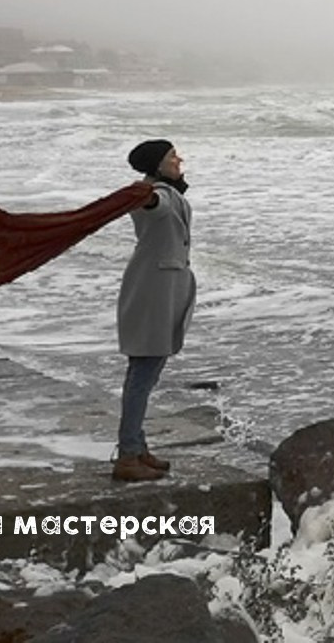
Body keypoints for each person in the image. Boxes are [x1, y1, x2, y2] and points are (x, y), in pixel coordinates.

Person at [113, 139, 195, 482]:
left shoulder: (162, 190)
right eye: (172, 156)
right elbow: (154, 204)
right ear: (157, 164)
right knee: (143, 374)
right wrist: (146, 195)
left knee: (143, 372)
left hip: (159, 289)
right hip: (152, 293)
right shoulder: (156, 194)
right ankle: (129, 454)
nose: (179, 159)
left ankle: (136, 447)